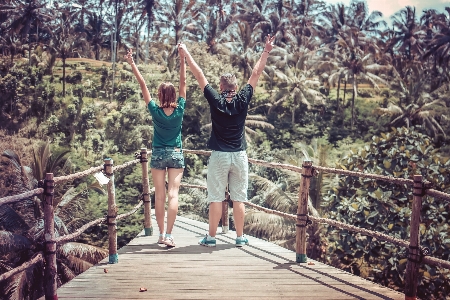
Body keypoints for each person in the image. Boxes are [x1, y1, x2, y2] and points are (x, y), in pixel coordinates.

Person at [178, 34, 275, 247]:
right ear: (236, 86)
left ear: (221, 87)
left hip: (220, 156)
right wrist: (266, 49)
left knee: (216, 197)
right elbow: (257, 72)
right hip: (239, 155)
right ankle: (240, 237)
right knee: (239, 198)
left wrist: (185, 54)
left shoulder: (215, 99)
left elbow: (199, 74)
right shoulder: (243, 98)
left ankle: (211, 238)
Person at [124, 46, 187, 247]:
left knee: (159, 196)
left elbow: (142, 84)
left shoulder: (155, 111)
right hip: (176, 154)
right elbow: (184, 82)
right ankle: (169, 234)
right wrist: (183, 59)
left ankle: (160, 234)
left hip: (158, 154)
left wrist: (132, 63)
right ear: (175, 95)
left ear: (159, 95)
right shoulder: (180, 110)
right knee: (173, 195)